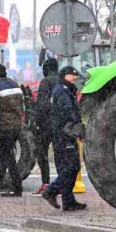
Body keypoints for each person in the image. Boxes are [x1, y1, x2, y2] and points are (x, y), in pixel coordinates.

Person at [41, 66, 86, 212]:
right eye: (73, 76)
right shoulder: (63, 91)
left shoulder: (62, 89)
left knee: (68, 167)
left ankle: (68, 201)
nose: (75, 78)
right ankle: (51, 191)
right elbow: (68, 111)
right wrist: (77, 124)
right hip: (64, 134)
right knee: (71, 167)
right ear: (65, 76)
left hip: (62, 133)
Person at [0, 64, 25, 197]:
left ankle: (17, 188)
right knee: (4, 155)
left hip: (4, 128)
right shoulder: (16, 86)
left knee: (8, 157)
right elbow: (22, 106)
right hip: (16, 126)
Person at [31, 57, 59, 195]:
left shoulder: (45, 82)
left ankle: (46, 183)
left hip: (47, 124)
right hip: (62, 124)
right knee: (60, 154)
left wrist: (36, 121)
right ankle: (62, 183)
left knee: (42, 153)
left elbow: (42, 105)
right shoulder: (62, 81)